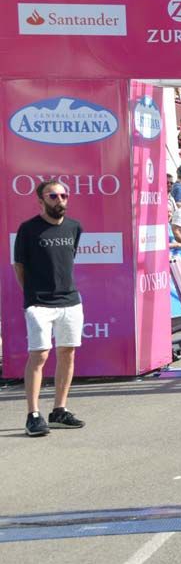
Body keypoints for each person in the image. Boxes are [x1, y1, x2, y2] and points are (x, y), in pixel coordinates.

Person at [14, 180, 86, 436]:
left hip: (70, 301)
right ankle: (33, 415)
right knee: (40, 355)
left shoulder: (74, 227)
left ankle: (59, 411)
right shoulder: (28, 229)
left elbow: (69, 259)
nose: (60, 200)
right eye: (53, 196)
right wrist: (32, 295)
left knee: (67, 353)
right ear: (41, 200)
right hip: (39, 303)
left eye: (64, 195)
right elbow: (19, 266)